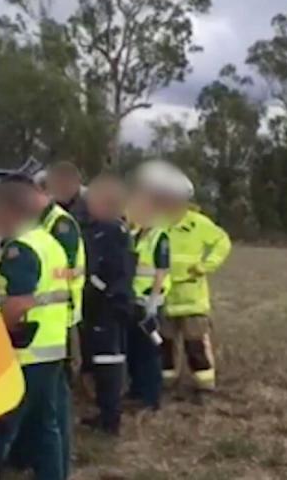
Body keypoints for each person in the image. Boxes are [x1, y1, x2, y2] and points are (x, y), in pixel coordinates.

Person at [0, 181, 72, 480]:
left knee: (3, 427)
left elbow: (19, 302)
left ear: (10, 212)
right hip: (50, 348)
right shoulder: (49, 243)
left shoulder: (20, 249)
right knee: (45, 424)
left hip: (25, 352)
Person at [5, 174, 85, 476]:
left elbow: (32, 291)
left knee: (22, 416)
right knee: (47, 416)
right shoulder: (44, 232)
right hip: (48, 332)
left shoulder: (56, 227)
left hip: (39, 333)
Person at [157, 165, 231, 397]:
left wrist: (204, 267)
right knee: (164, 346)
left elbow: (222, 242)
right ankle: (166, 383)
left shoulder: (199, 223)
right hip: (164, 298)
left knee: (195, 344)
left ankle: (204, 387)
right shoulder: (156, 222)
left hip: (192, 299)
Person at [78, 174, 135, 434]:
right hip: (102, 304)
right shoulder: (102, 228)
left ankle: (110, 419)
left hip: (108, 305)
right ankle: (106, 412)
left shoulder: (111, 231)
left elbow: (111, 270)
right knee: (103, 360)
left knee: (107, 361)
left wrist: (96, 288)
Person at [124, 165, 173, 411]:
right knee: (134, 349)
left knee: (150, 352)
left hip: (149, 302)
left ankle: (152, 396)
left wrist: (153, 301)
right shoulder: (136, 234)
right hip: (134, 300)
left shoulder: (160, 237)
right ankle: (137, 390)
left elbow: (162, 271)